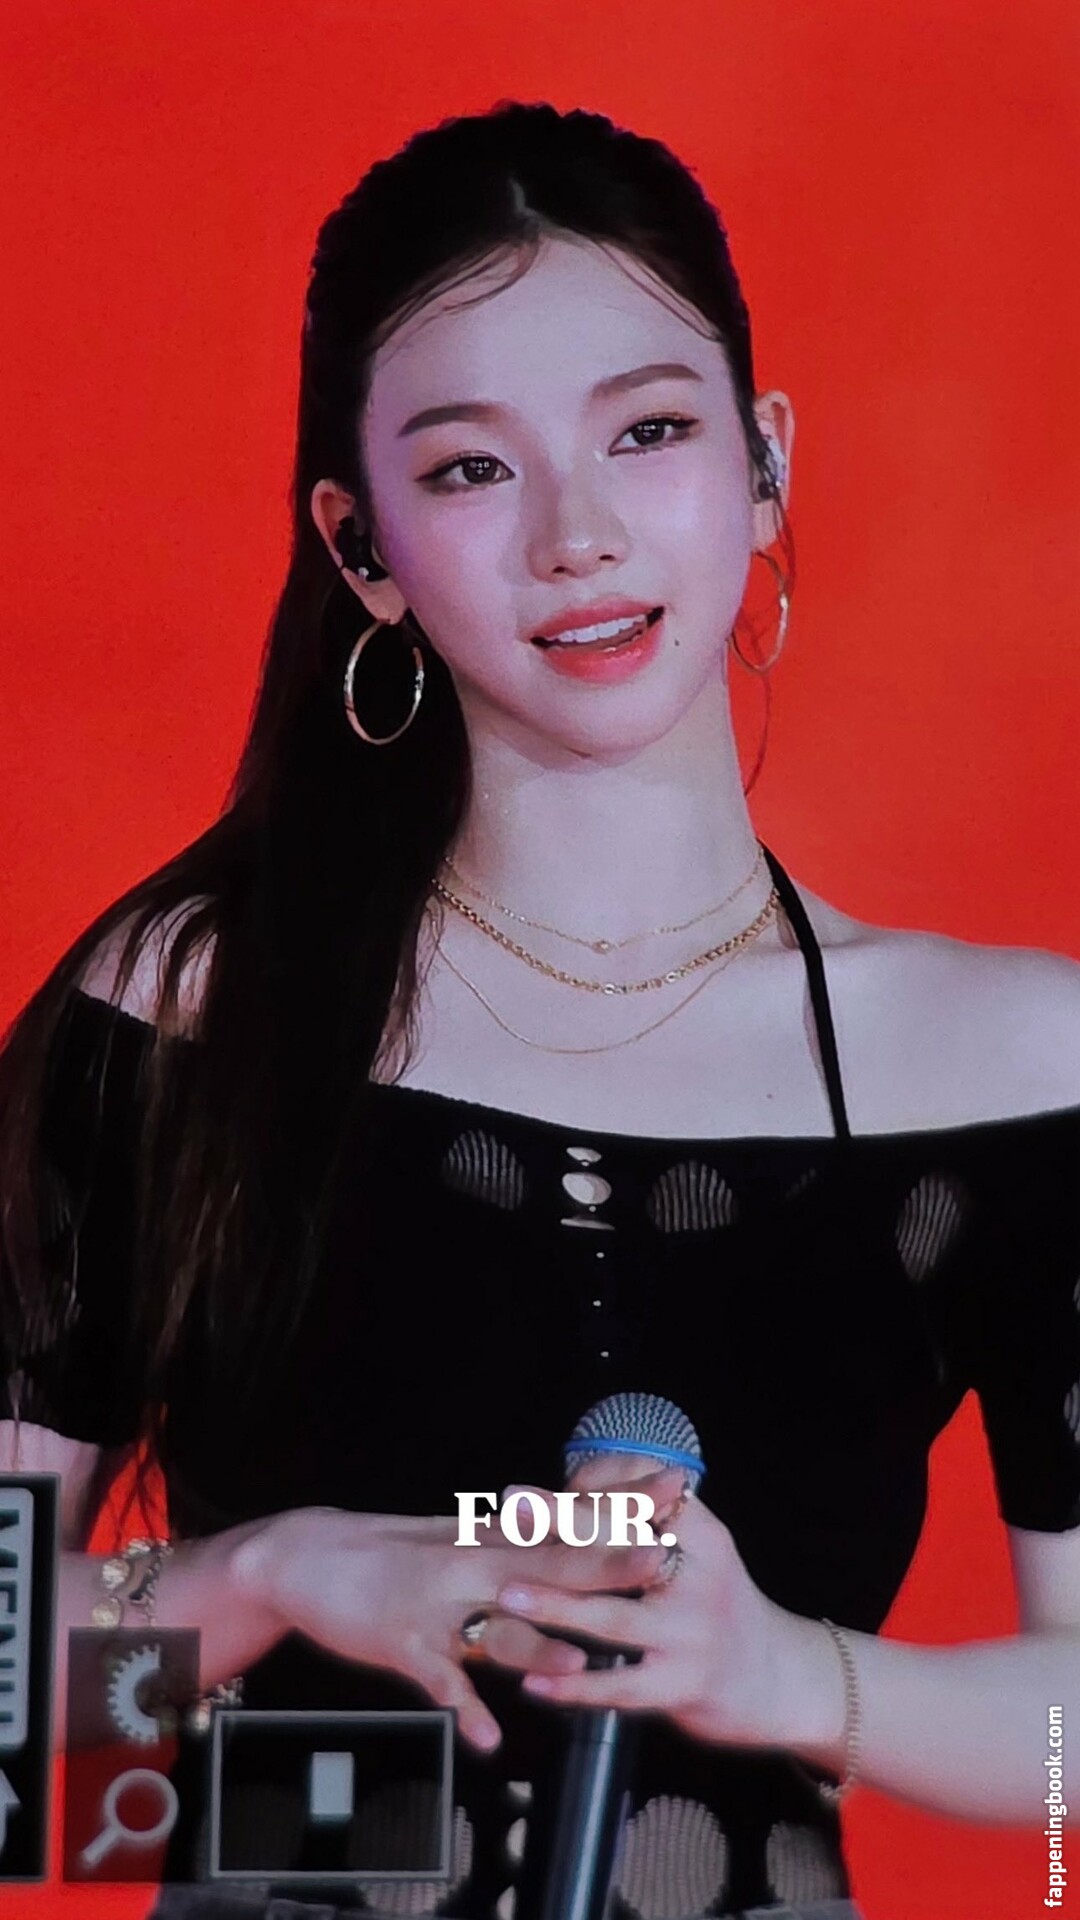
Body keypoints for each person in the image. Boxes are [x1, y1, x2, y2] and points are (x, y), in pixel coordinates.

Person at [1, 99, 1078, 1920]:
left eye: (648, 432)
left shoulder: (1011, 1069)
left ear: (765, 463)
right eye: (472, 470)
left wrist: (792, 1679)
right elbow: (11, 1744)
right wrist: (268, 1578)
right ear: (359, 547)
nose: (578, 536)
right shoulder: (191, 1020)